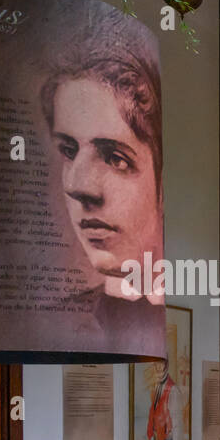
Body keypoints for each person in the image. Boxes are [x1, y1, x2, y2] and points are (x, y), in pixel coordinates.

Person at [40, 23, 164, 354]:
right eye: (69, 151)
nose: (78, 186)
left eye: (115, 158)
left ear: (161, 178)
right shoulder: (52, 323)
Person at [142, 359, 184, 440]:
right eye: (156, 364)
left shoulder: (173, 390)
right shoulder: (156, 386)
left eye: (161, 364)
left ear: (166, 365)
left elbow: (178, 425)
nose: (158, 368)